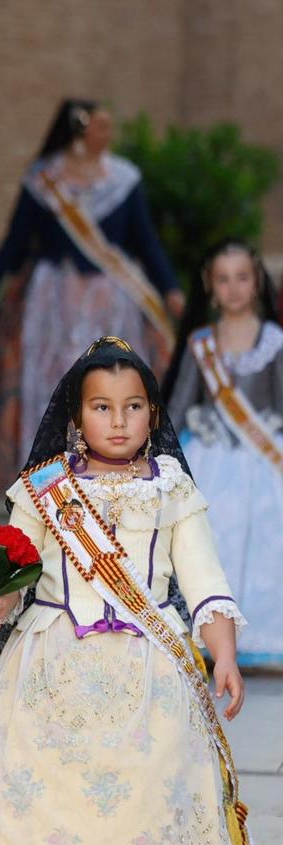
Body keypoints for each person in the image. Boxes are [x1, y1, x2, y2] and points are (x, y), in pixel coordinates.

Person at [0, 337, 258, 845]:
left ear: (152, 414)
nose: (118, 420)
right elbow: (16, 570)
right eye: (103, 407)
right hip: (51, 666)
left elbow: (204, 582)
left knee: (129, 808)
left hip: (147, 673)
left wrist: (222, 651)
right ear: (75, 418)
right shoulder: (44, 489)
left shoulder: (172, 488)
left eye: (134, 406)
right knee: (51, 801)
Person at [0, 99, 185, 494]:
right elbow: (14, 243)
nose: (107, 135)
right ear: (78, 132)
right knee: (51, 383)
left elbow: (147, 243)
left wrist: (170, 289)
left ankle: (115, 469)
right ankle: (49, 478)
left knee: (112, 381)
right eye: (99, 127)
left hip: (111, 302)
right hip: (49, 306)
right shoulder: (43, 180)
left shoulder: (124, 180)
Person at [162, 240, 283, 666]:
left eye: (243, 277)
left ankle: (263, 637)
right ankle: (209, 638)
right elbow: (176, 406)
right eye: (223, 279)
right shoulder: (201, 344)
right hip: (209, 460)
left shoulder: (275, 341)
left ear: (257, 282)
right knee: (211, 540)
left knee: (269, 541)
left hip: (265, 465)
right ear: (209, 286)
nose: (233, 288)